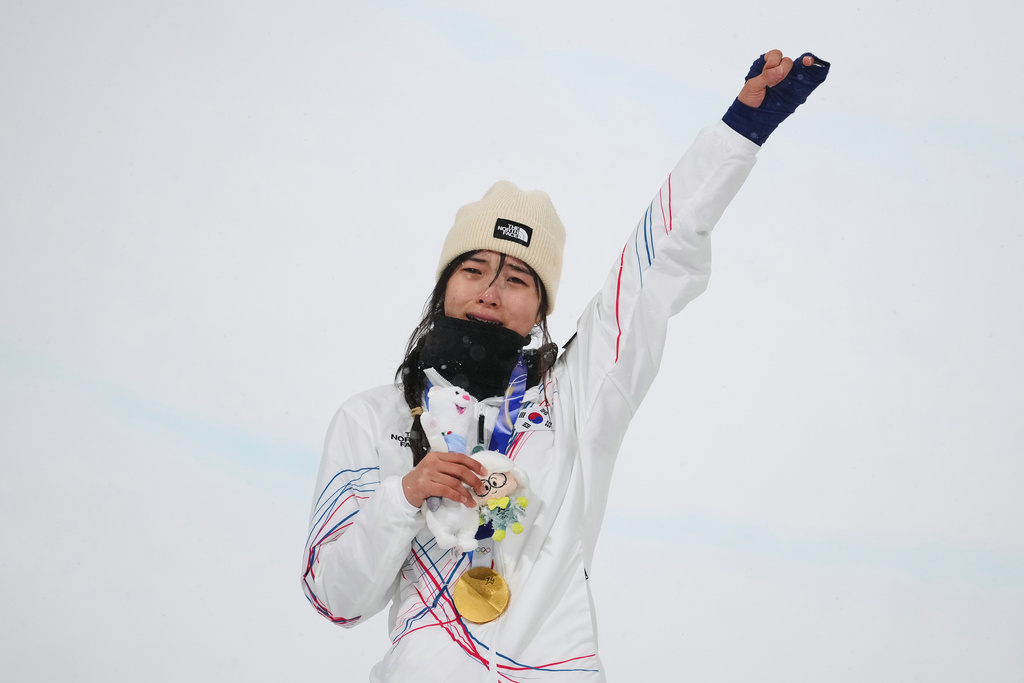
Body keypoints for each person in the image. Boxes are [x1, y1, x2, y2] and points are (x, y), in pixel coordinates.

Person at [302, 50, 830, 682]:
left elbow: (653, 268)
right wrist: (404, 496)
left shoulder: (576, 398)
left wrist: (739, 131)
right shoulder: (373, 419)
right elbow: (337, 598)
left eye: (517, 278)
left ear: (541, 307)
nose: (491, 292)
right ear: (444, 285)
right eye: (473, 270)